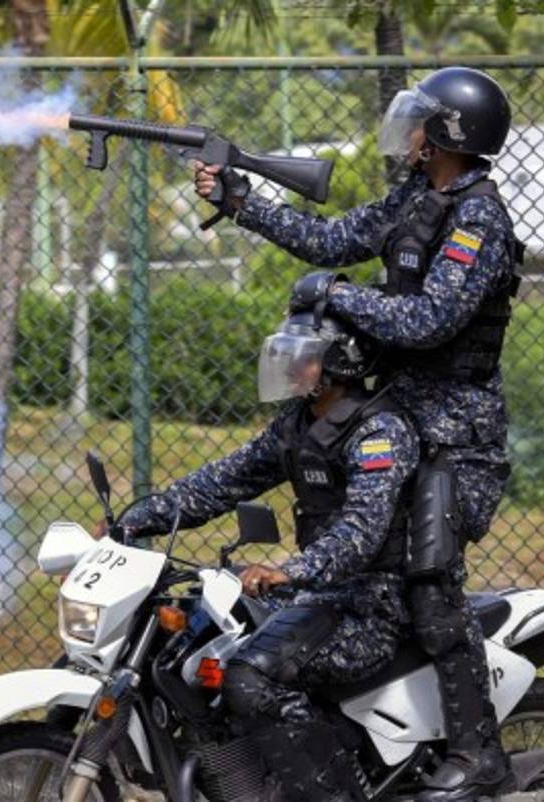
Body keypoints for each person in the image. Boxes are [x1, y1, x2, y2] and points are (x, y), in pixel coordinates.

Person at [192, 67, 522, 801]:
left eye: (419, 122)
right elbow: (334, 237)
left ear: (448, 135)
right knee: (347, 572)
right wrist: (242, 202)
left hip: (458, 441)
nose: (405, 134)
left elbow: (429, 320)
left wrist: (340, 295)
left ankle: (480, 752)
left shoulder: (478, 219)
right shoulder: (417, 196)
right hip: (404, 416)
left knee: (430, 583)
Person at [108, 302, 417, 801]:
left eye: (304, 356)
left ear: (343, 362)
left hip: (376, 604)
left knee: (250, 677)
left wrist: (289, 570)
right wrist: (135, 519)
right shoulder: (297, 425)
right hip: (318, 599)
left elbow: (362, 530)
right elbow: (225, 479)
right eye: (287, 354)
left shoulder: (379, 433)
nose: (290, 366)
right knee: (194, 640)